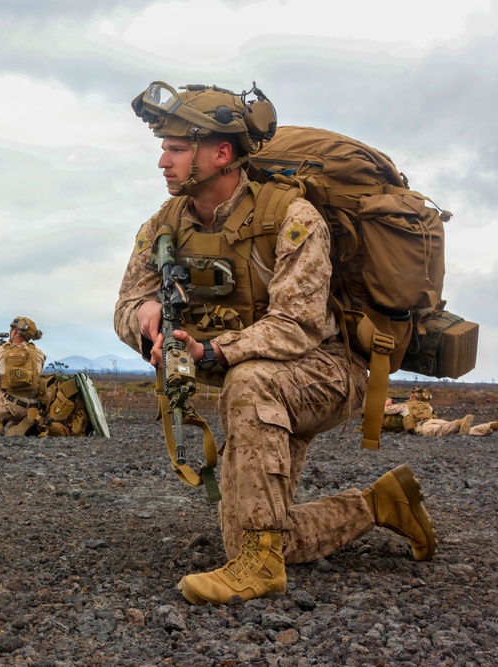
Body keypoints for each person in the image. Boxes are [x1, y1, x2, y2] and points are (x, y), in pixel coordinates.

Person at [115, 81, 437, 606]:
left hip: (328, 370)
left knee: (248, 381)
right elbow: (126, 303)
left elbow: (297, 325)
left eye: (175, 148)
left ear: (221, 154)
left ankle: (259, 568)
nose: (161, 162)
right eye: (164, 148)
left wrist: (212, 353)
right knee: (255, 533)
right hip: (260, 381)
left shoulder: (291, 217)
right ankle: (380, 505)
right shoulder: (163, 225)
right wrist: (144, 319)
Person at [383, 387, 497, 436]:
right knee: (464, 431)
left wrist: (387, 403)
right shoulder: (428, 406)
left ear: (412, 395)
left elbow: (384, 411)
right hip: (434, 421)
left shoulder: (404, 406)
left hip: (421, 426)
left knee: (441, 431)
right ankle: (490, 426)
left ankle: (458, 423)